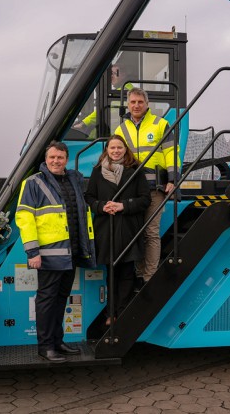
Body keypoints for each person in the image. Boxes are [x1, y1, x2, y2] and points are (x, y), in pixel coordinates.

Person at [15, 141, 96, 363]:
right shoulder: (33, 183)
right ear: (46, 158)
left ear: (66, 159)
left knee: (61, 298)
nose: (56, 161)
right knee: (46, 299)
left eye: (60, 157)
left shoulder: (74, 180)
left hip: (72, 252)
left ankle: (58, 341)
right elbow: (24, 218)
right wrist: (33, 252)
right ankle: (45, 346)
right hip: (49, 254)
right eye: (52, 157)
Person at [114, 87, 180, 284]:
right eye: (133, 102)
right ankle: (139, 272)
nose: (136, 105)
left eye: (140, 102)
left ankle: (149, 278)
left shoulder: (160, 124)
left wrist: (173, 179)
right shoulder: (121, 129)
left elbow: (171, 152)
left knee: (151, 232)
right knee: (135, 233)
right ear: (128, 104)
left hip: (154, 188)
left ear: (147, 104)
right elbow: (116, 156)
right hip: (131, 189)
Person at [85, 135, 150, 324]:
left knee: (127, 273)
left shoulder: (136, 170)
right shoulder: (97, 171)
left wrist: (123, 206)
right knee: (111, 273)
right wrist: (102, 206)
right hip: (106, 229)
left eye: (119, 148)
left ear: (125, 149)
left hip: (129, 228)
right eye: (112, 148)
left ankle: (121, 314)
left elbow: (145, 199)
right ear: (107, 150)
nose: (115, 151)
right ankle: (110, 314)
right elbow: (89, 197)